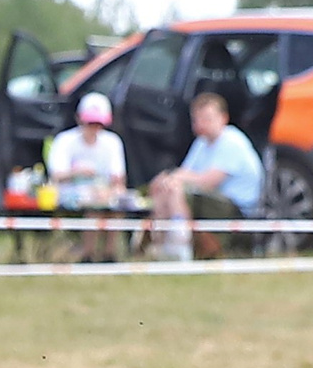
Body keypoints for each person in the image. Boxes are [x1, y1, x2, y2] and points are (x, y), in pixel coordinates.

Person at [149, 92, 263, 259]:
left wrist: (175, 179)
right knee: (164, 185)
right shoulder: (202, 142)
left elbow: (208, 181)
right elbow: (185, 172)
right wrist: (166, 178)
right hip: (212, 198)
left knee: (176, 189)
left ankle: (181, 247)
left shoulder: (232, 142)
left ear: (223, 118)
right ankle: (159, 244)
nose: (201, 124)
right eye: (197, 119)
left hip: (236, 206)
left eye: (207, 119)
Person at [46, 93, 128, 204]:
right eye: (90, 123)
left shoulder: (113, 142)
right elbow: (56, 177)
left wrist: (109, 189)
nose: (94, 128)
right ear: (79, 119)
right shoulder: (64, 140)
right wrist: (77, 172)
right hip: (70, 197)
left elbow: (118, 179)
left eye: (98, 123)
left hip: (104, 195)